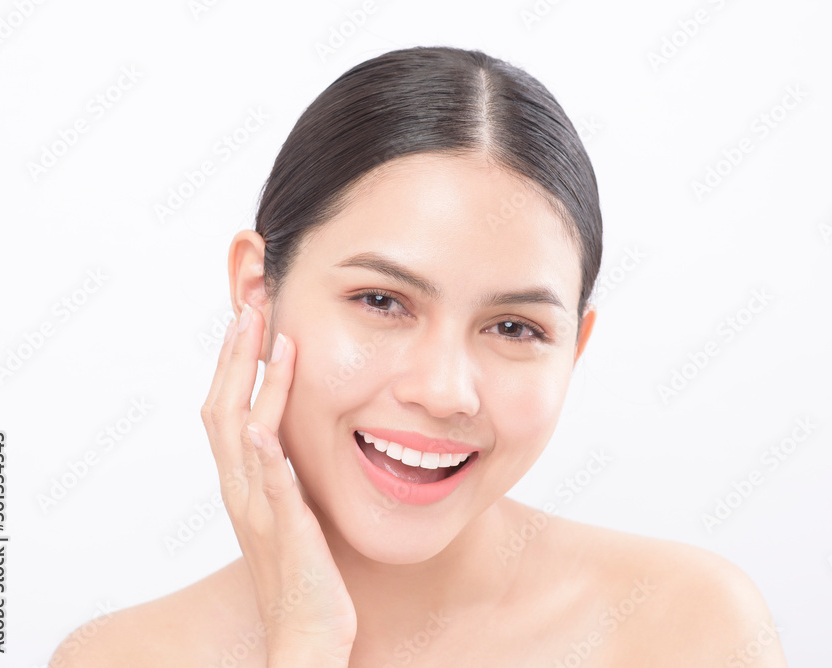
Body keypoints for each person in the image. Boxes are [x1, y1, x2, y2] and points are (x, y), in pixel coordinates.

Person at [50, 45, 787, 667]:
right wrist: (305, 641)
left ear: (575, 349)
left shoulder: (688, 628)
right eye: (381, 302)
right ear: (257, 292)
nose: (443, 391)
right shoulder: (118, 658)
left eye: (514, 329)